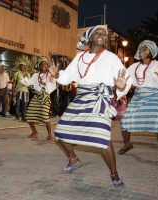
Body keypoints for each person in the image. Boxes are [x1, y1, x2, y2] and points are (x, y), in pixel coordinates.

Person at [53, 25, 131, 188]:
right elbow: (67, 76)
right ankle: (73, 159)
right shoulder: (80, 56)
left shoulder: (111, 57)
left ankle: (114, 174)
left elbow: (123, 77)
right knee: (60, 132)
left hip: (99, 99)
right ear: (90, 37)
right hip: (81, 97)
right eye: (98, 32)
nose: (101, 34)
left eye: (104, 33)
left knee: (102, 137)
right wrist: (57, 75)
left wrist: (121, 85)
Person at [118, 40, 158, 163]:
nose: (141, 50)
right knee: (125, 121)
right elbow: (125, 81)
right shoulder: (134, 67)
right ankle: (127, 144)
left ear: (151, 51)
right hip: (138, 96)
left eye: (145, 49)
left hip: (154, 96)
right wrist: (121, 86)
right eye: (140, 48)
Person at [21, 57, 57, 140]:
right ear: (39, 66)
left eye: (46, 65)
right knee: (29, 115)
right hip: (36, 97)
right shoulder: (35, 75)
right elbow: (29, 84)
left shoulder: (50, 75)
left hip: (45, 97)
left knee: (45, 116)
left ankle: (49, 134)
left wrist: (44, 83)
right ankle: (34, 132)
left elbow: (53, 86)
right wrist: (25, 78)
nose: (44, 66)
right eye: (42, 65)